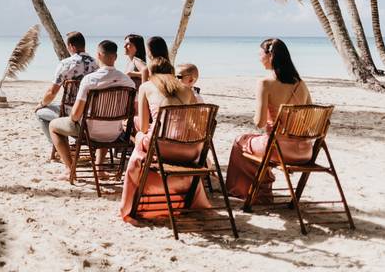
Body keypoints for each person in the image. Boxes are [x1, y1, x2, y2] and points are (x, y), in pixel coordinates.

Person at [119, 55, 210, 222]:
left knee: (139, 137)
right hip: (190, 150)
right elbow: (191, 124)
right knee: (144, 139)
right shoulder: (187, 89)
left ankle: (130, 205)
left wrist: (138, 134)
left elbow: (145, 126)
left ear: (152, 73)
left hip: (163, 147)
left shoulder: (146, 87)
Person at [225, 38, 313, 200]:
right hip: (305, 151)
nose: (259, 58)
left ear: (270, 56)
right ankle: (262, 188)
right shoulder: (301, 84)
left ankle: (251, 191)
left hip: (279, 150)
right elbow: (309, 119)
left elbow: (260, 122)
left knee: (240, 142)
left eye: (260, 54)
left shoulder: (265, 83)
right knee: (255, 144)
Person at [49, 40, 135, 176]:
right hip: (114, 134)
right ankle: (99, 169)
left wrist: (72, 118)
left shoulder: (90, 80)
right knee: (105, 122)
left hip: (90, 133)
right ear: (116, 57)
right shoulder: (128, 82)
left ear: (99, 55)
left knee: (53, 126)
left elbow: (76, 116)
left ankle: (70, 169)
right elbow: (131, 112)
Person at [34, 32, 97, 146]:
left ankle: (59, 147)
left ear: (72, 46)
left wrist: (41, 103)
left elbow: (52, 92)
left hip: (72, 113)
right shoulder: (96, 64)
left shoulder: (66, 64)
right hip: (92, 112)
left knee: (40, 113)